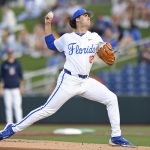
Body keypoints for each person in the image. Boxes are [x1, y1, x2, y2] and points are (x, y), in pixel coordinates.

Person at [0, 8, 135, 147]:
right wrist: (48, 24)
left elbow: (105, 52)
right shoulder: (67, 38)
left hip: (85, 81)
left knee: (111, 98)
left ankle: (116, 136)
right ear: (77, 19)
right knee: (47, 110)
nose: (89, 17)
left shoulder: (95, 37)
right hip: (68, 80)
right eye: (85, 15)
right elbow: (51, 44)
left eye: (89, 15)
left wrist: (109, 54)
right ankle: (12, 128)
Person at [0, 48, 24, 124]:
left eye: (11, 53)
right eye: (9, 53)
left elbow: (21, 77)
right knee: (8, 107)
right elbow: (1, 77)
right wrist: (0, 88)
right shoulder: (4, 64)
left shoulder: (17, 63)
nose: (10, 55)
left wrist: (21, 87)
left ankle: (19, 123)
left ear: (13, 53)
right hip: (7, 88)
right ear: (7, 54)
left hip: (16, 88)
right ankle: (9, 124)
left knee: (17, 106)